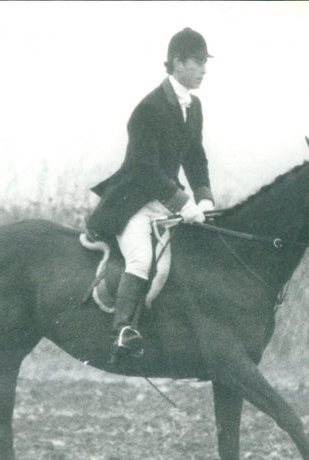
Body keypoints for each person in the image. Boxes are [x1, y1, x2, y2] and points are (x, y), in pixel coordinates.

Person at [86, 27, 215, 360]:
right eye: (198, 62)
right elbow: (145, 169)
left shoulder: (194, 106)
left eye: (205, 63)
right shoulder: (149, 109)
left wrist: (204, 197)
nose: (204, 70)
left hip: (163, 200)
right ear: (177, 62)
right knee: (141, 260)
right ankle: (123, 331)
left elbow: (195, 155)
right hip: (133, 203)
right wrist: (183, 203)